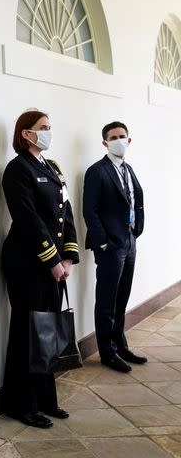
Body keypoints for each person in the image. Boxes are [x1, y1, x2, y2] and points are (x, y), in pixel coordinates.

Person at [0, 110, 80, 429]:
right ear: (26, 134)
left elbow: (66, 211)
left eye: (49, 127)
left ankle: (47, 398)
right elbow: (27, 218)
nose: (48, 132)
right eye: (42, 128)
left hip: (54, 263)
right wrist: (51, 260)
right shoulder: (17, 169)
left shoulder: (53, 167)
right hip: (26, 263)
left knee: (47, 332)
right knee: (27, 332)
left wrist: (69, 256)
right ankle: (22, 404)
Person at [83, 121, 146, 372]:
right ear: (105, 142)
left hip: (129, 241)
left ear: (129, 140)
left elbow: (135, 201)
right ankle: (107, 352)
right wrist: (103, 242)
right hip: (110, 245)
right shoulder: (97, 171)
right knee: (107, 300)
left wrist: (136, 231)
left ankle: (121, 345)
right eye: (113, 137)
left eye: (123, 136)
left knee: (122, 297)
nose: (119, 140)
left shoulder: (128, 169)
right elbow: (90, 210)